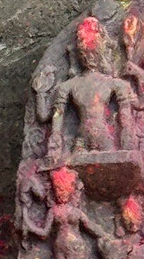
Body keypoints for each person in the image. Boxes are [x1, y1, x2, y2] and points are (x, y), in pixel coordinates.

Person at [49, 17, 136, 157]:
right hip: (86, 140)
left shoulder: (115, 84)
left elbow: (126, 122)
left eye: (92, 52)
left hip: (94, 140)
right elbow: (56, 121)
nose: (88, 56)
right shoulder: (68, 86)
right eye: (84, 52)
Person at [24, 166, 110, 259]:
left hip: (75, 245)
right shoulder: (55, 211)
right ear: (54, 192)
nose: (61, 194)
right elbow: (44, 233)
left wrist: (105, 237)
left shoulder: (73, 212)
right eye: (59, 190)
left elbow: (90, 226)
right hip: (60, 246)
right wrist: (29, 224)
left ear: (71, 191)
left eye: (64, 190)